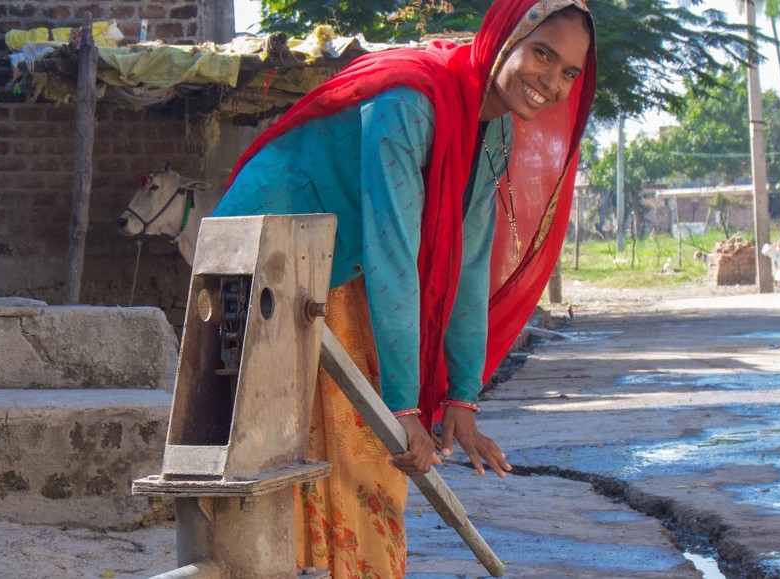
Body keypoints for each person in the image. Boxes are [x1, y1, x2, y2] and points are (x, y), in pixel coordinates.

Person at [212, 0, 596, 575]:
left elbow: (467, 264)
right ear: (504, 37)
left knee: (362, 456)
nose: (553, 81)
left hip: (343, 262)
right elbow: (394, 249)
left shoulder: (492, 133)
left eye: (570, 71)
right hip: (268, 247)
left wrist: (462, 397)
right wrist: (405, 404)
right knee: (288, 449)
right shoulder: (410, 104)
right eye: (543, 53)